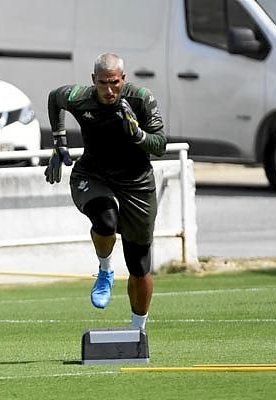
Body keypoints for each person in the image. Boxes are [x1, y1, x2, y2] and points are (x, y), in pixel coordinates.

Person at [45, 53, 167, 330]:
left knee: (139, 265)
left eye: (114, 83)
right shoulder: (80, 97)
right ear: (94, 80)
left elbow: (160, 144)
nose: (109, 90)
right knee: (105, 219)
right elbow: (55, 97)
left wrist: (138, 135)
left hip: (136, 183)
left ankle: (137, 331)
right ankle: (105, 270)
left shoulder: (141, 99)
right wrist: (59, 143)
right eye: (102, 83)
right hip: (93, 175)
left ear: (123, 79)